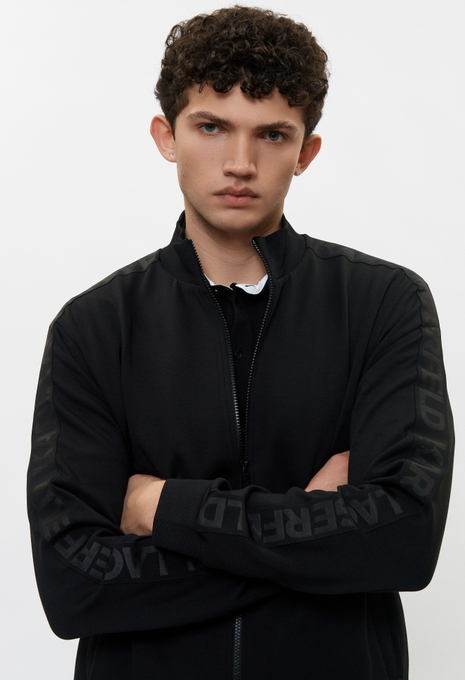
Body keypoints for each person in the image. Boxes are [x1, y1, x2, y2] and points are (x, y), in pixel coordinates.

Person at [27, 6, 454, 679]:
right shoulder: (93, 327)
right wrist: (316, 539)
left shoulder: (383, 304)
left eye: (272, 134)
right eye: (211, 127)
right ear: (166, 136)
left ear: (306, 151)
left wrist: (163, 508)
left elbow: (402, 539)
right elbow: (74, 585)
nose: (239, 163)